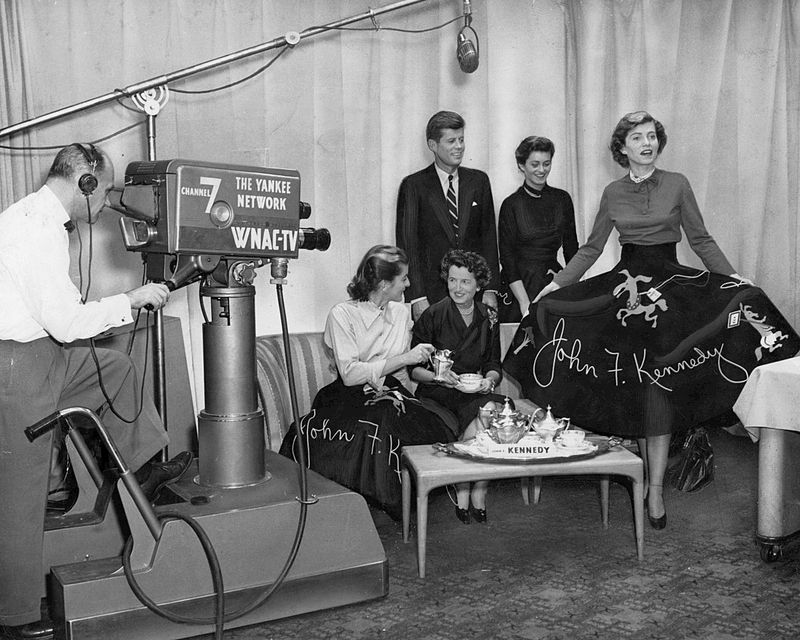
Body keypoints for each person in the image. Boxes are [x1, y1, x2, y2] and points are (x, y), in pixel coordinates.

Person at [503, 111, 800, 531]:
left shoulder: (678, 183)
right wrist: (556, 285)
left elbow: (700, 239)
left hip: (673, 289)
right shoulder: (612, 192)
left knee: (661, 389)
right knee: (634, 385)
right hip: (627, 287)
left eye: (651, 136)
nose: (647, 143)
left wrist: (733, 276)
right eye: (637, 138)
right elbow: (590, 249)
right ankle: (644, 477)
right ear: (622, 148)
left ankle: (655, 488)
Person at [0, 143, 192, 638]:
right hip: (20, 366)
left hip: (46, 355)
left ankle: (141, 467)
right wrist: (130, 298)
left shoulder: (36, 218)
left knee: (115, 369)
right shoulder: (36, 231)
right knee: (20, 496)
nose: (105, 202)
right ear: (84, 182)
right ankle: (16, 617)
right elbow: (66, 323)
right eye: (103, 190)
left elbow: (60, 316)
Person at [279, 245, 457, 519]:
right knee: (380, 421)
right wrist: (404, 358)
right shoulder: (342, 314)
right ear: (385, 284)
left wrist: (431, 369)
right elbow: (350, 374)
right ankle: (376, 503)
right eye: (404, 278)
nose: (408, 284)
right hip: (346, 395)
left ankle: (410, 500)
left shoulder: (400, 313)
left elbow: (403, 368)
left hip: (388, 389)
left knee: (425, 421)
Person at [410, 250, 508, 524]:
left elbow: (492, 362)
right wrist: (440, 377)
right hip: (437, 391)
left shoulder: (488, 316)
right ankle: (467, 488)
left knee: (490, 409)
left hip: (471, 389)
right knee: (482, 418)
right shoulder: (433, 314)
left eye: (465, 282)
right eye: (452, 280)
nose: (457, 288)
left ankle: (476, 487)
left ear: (479, 285)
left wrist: (489, 380)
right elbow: (414, 371)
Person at [396, 110, 500, 321]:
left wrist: (490, 289)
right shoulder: (414, 185)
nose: (459, 146)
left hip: (475, 294)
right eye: (451, 141)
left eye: (461, 140)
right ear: (433, 145)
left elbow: (489, 239)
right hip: (432, 297)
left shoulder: (479, 181)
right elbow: (408, 245)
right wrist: (417, 297)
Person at [497, 136, 579, 322]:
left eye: (546, 163)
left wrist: (571, 287)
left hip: (553, 281)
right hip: (519, 287)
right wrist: (524, 303)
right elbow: (507, 259)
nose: (542, 170)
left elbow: (571, 249)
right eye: (535, 164)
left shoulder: (562, 199)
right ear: (521, 165)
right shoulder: (511, 204)